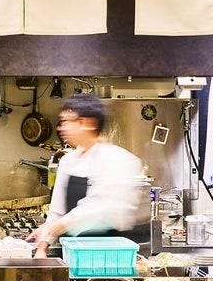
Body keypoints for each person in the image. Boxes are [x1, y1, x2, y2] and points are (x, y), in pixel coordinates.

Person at [31, 92, 148, 257]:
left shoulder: (120, 160)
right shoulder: (67, 161)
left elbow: (102, 209)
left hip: (110, 256)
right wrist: (42, 247)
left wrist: (56, 227)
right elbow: (57, 211)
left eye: (67, 121)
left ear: (88, 123)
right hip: (72, 253)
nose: (61, 128)